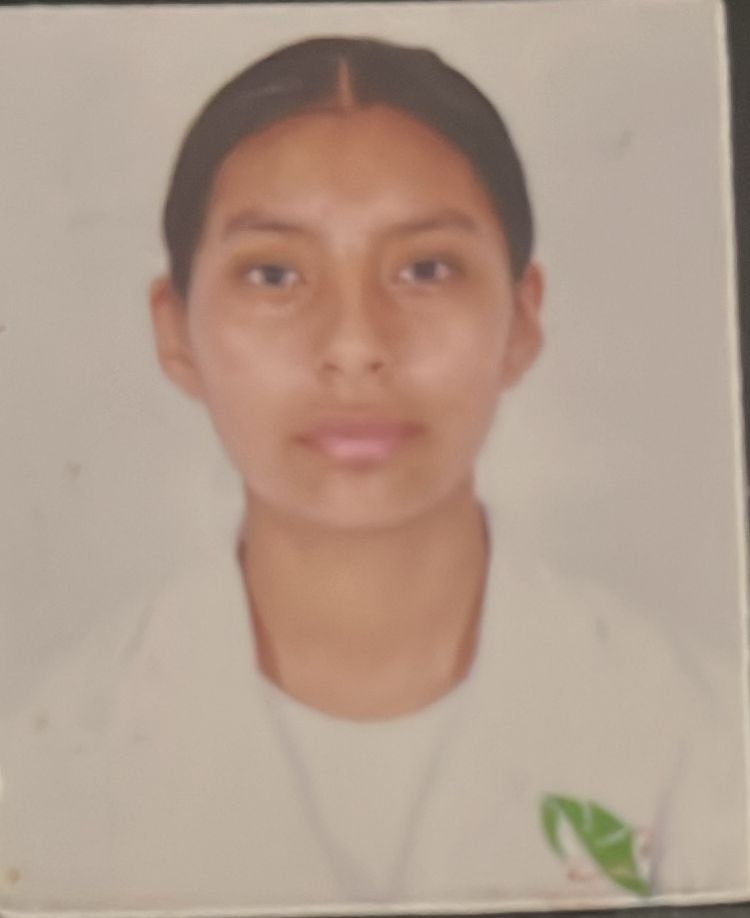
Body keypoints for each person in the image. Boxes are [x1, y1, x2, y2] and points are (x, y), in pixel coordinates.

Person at [0, 35, 747, 914]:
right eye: (274, 274)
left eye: (425, 269)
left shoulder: (702, 742)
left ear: (520, 318)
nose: (355, 345)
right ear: (175, 328)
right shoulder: (41, 773)